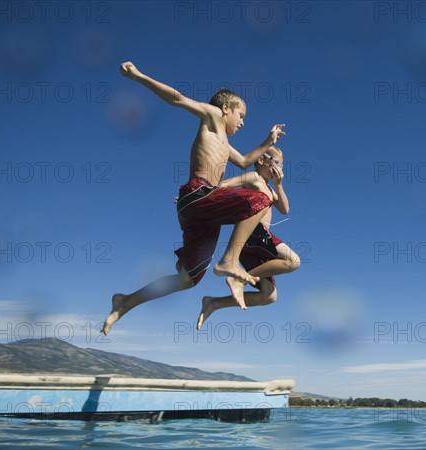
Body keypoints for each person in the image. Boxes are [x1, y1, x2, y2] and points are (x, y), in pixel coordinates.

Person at [101, 61, 285, 336]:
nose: (243, 122)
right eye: (241, 115)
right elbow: (177, 99)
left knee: (187, 279)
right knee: (260, 200)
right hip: (198, 194)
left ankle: (125, 302)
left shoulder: (225, 142)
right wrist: (139, 77)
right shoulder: (212, 117)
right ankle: (229, 261)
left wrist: (267, 142)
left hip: (203, 211)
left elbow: (246, 161)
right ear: (226, 108)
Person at [197, 146, 300, 330]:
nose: (278, 169)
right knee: (292, 261)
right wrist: (199, 196)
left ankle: (213, 303)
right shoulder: (254, 178)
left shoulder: (270, 188)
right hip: (254, 234)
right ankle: (240, 280)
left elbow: (285, 209)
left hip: (256, 245)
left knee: (268, 296)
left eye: (282, 166)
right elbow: (226, 184)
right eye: (275, 163)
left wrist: (279, 185)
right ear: (261, 160)